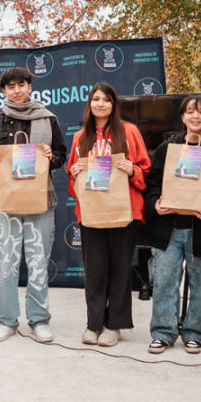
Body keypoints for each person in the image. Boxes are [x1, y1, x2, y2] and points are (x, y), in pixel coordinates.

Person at [0, 67, 68, 343]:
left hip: (41, 200)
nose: (16, 90)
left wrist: (52, 157)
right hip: (4, 203)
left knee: (38, 262)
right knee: (7, 264)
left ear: (30, 86)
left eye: (21, 84)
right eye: (11, 86)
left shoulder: (48, 119)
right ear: (3, 91)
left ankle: (39, 320)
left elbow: (62, 154)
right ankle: (6, 321)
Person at [143, 95, 201, 353]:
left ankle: (194, 333)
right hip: (168, 229)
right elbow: (151, 186)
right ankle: (163, 333)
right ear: (182, 117)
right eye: (190, 111)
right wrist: (156, 204)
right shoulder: (166, 150)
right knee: (164, 281)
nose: (196, 116)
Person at [66, 83, 150, 347]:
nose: (100, 104)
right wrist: (76, 173)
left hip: (124, 211)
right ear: (89, 104)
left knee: (120, 270)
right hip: (91, 212)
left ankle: (115, 325)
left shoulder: (129, 132)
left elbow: (146, 172)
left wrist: (132, 170)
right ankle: (94, 325)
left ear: (114, 105)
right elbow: (72, 182)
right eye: (96, 99)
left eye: (106, 100)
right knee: (94, 271)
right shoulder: (81, 137)